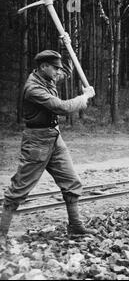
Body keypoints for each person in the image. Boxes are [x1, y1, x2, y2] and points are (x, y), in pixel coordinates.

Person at [0, 35, 97, 250]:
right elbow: (61, 107)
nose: (58, 73)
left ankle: (75, 225)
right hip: (36, 142)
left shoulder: (47, 78)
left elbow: (68, 71)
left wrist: (66, 45)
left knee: (72, 182)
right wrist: (84, 98)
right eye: (55, 69)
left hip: (54, 138)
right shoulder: (34, 88)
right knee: (19, 189)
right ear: (43, 67)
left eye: (57, 69)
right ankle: (1, 234)